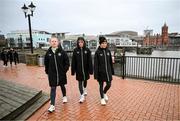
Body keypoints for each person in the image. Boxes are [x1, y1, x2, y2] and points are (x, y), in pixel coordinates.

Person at [44, 36, 70, 112]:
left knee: (62, 85)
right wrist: (47, 72)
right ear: (50, 43)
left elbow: (67, 62)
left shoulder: (62, 52)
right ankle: (52, 105)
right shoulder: (48, 53)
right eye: (52, 41)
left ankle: (64, 96)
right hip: (52, 74)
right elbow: (46, 64)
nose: (54, 42)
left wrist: (64, 70)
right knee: (53, 88)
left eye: (55, 41)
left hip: (61, 73)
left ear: (58, 42)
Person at [71, 37, 93, 103]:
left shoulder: (87, 50)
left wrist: (91, 70)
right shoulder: (75, 50)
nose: (80, 43)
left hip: (86, 70)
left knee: (85, 80)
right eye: (79, 42)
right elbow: (73, 61)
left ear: (84, 42)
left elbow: (90, 61)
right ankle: (82, 95)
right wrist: (73, 71)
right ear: (77, 43)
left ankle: (85, 89)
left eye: (82, 42)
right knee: (80, 82)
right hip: (79, 70)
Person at [94, 36, 114, 105]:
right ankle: (102, 98)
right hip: (100, 72)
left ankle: (104, 92)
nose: (104, 44)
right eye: (103, 43)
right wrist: (96, 74)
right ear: (100, 44)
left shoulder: (108, 51)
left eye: (105, 43)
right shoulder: (97, 52)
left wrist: (112, 71)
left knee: (109, 84)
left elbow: (110, 62)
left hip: (108, 72)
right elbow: (96, 64)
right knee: (101, 85)